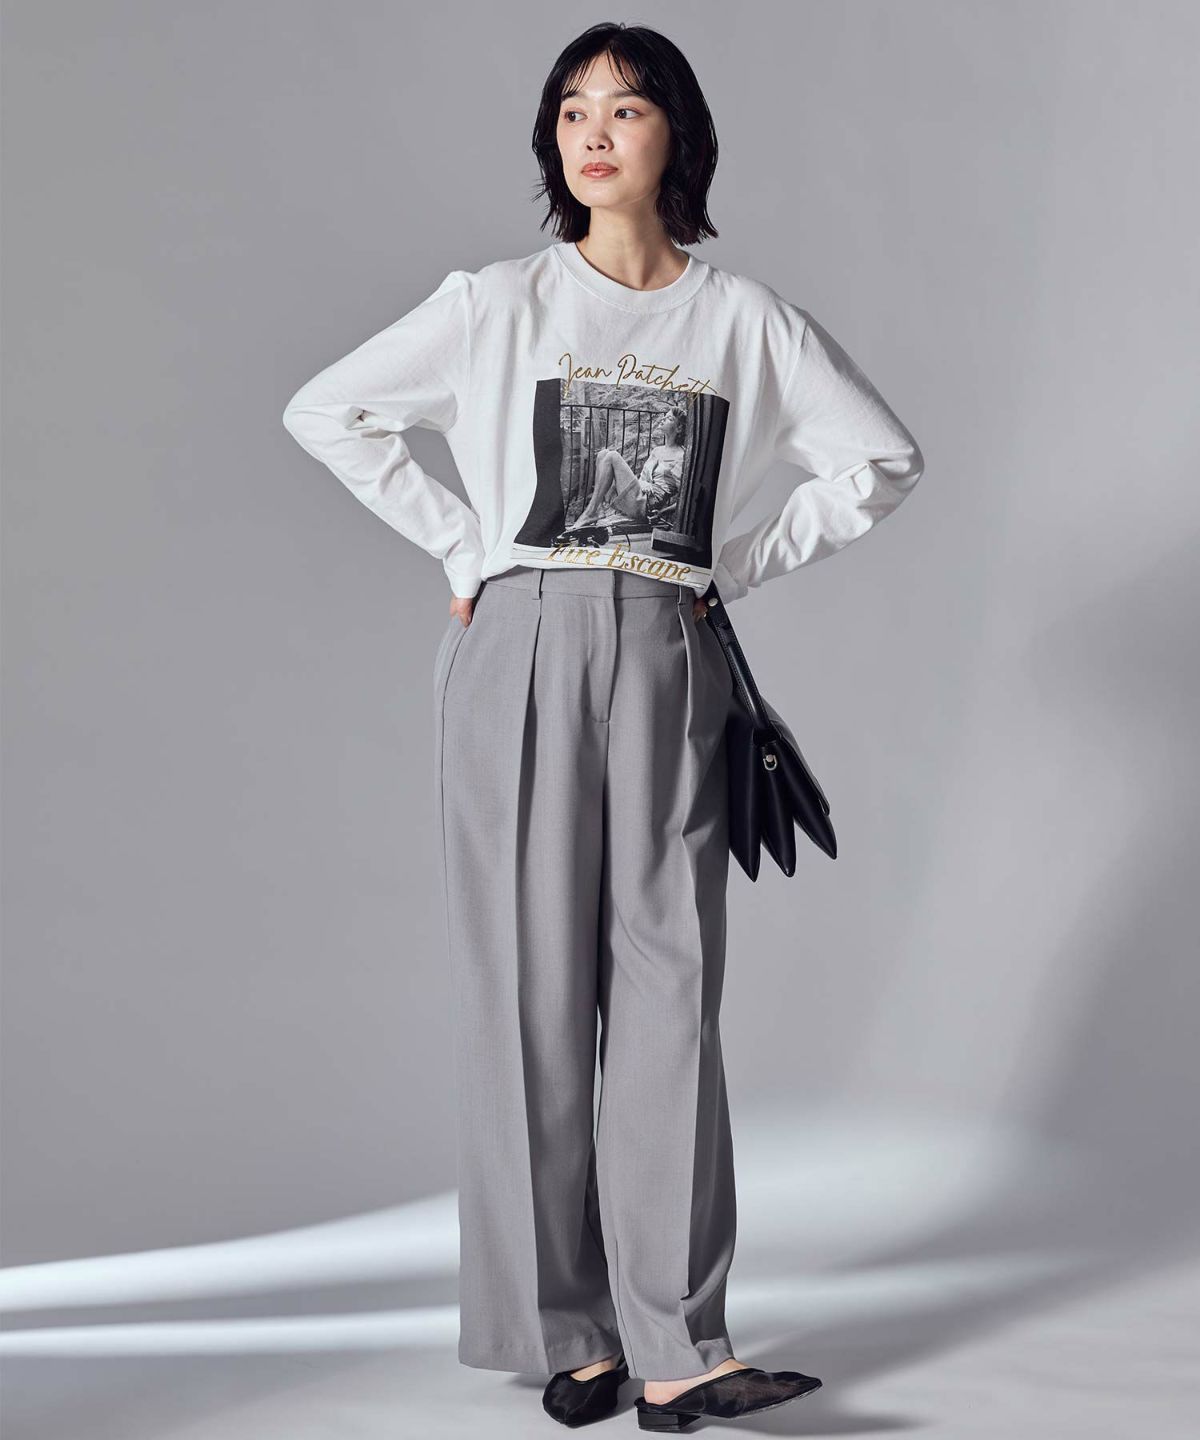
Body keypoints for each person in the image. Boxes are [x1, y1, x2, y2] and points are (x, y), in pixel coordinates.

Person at [281, 21, 924, 1432]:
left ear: (676, 133)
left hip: (672, 648)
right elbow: (328, 411)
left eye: (625, 109)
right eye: (572, 109)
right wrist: (464, 546)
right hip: (521, 640)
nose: (594, 132)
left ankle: (679, 1346)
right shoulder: (497, 303)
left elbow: (880, 458)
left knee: (669, 986)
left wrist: (727, 561)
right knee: (528, 992)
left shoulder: (743, 320)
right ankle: (566, 1332)